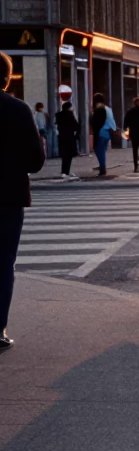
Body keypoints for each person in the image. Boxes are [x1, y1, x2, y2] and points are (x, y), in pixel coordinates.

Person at [0, 51, 45, 348]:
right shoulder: (18, 109)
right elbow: (36, 161)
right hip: (8, 197)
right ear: (6, 78)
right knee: (3, 264)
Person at [89, 93, 117, 176]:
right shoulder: (108, 109)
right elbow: (112, 121)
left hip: (100, 132)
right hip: (107, 133)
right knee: (102, 151)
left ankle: (102, 168)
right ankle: (102, 166)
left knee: (99, 151)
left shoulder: (99, 110)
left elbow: (96, 122)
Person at [55, 100, 81, 180]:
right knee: (69, 156)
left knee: (64, 156)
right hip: (70, 138)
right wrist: (77, 135)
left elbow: (57, 125)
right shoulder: (70, 115)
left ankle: (64, 172)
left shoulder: (58, 115)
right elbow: (76, 126)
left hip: (62, 137)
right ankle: (66, 172)